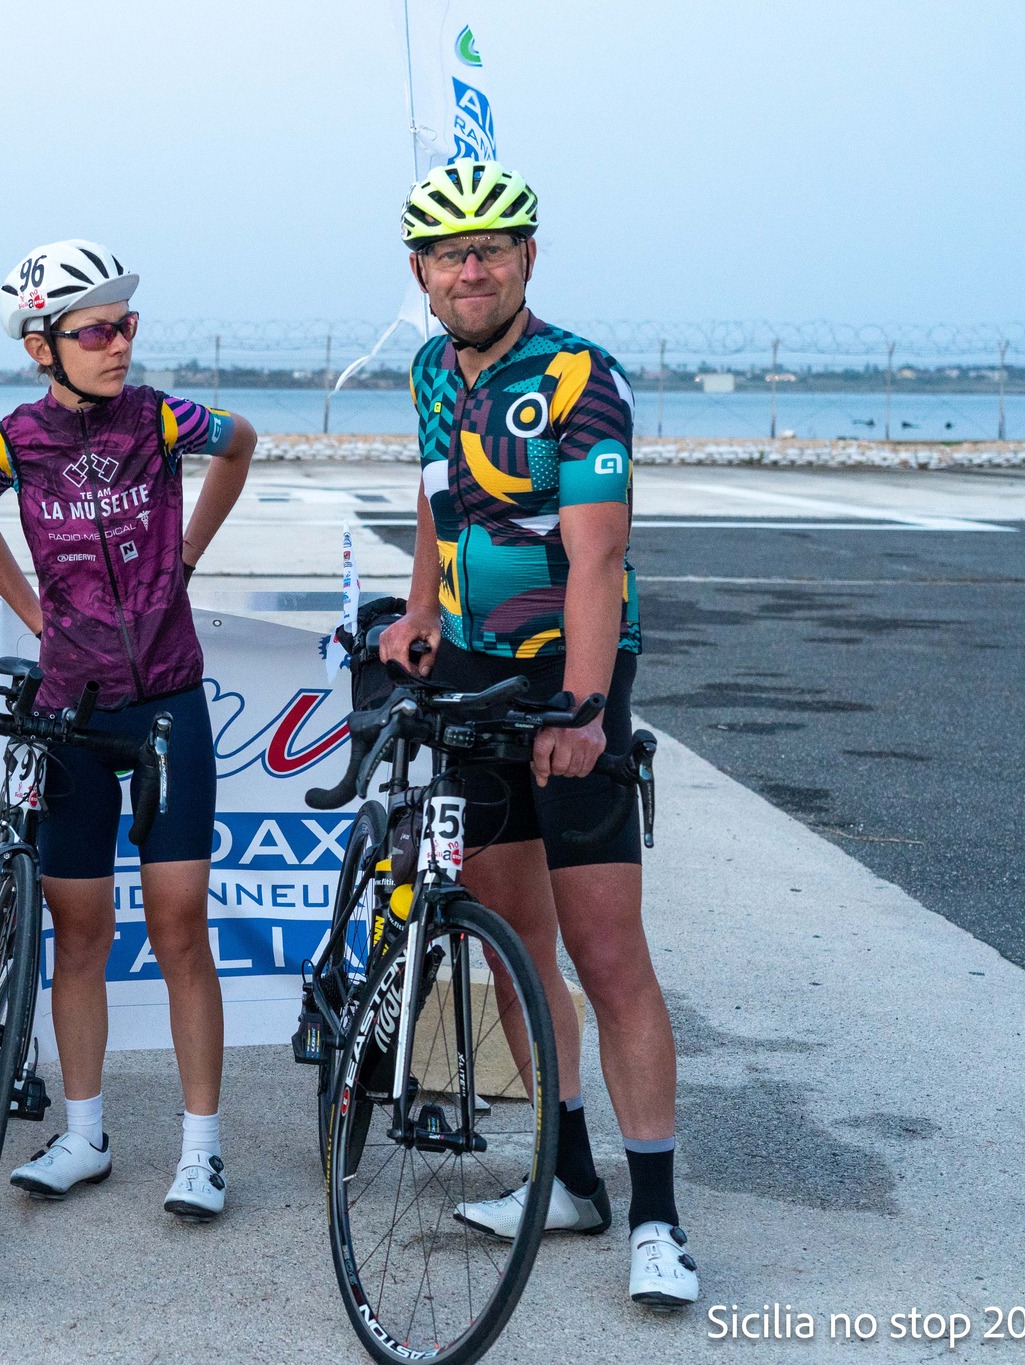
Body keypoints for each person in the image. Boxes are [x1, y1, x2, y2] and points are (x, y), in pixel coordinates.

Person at [377, 162, 699, 1309]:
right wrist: (418, 610)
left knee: (606, 954)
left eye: (490, 247)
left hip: (572, 676)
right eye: (448, 252)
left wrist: (581, 705)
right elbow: (435, 500)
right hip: (471, 674)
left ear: (525, 255)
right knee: (511, 936)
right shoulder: (428, 371)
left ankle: (656, 1218)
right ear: (419, 270)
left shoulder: (578, 377)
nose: (470, 268)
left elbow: (597, 556)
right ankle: (565, 1178)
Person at [0, 240, 255, 1220]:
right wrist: (34, 615)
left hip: (166, 698)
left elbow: (241, 441)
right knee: (78, 933)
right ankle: (83, 1136)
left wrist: (187, 555)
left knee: (179, 925)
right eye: (95, 331)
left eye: (126, 325)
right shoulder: (10, 443)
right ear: (41, 346)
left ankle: (201, 1151)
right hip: (69, 713)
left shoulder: (161, 418)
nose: (119, 344)